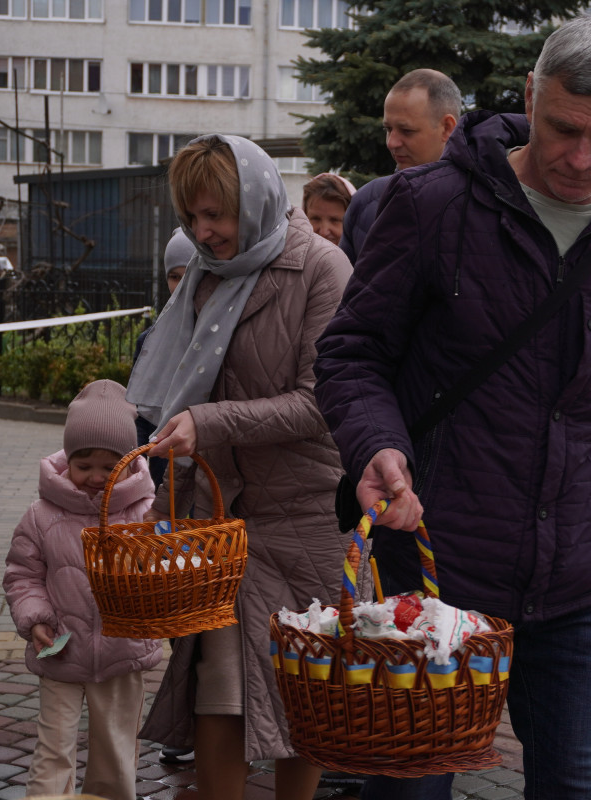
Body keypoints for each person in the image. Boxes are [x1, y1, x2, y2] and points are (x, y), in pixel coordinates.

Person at [313, 16, 591, 800]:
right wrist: (377, 446)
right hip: (434, 572)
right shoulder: (431, 205)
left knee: (580, 787)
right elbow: (351, 352)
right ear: (529, 96)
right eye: (562, 129)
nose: (581, 159)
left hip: (574, 581)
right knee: (412, 788)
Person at [126, 134, 353, 800]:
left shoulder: (322, 269)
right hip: (218, 523)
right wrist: (167, 513)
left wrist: (211, 424)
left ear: (251, 202)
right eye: (192, 217)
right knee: (215, 693)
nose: (204, 232)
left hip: (304, 516)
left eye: (216, 216)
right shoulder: (201, 275)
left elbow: (321, 403)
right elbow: (178, 394)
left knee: (303, 692)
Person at [3, 379, 162, 800]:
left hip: (122, 650)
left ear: (129, 465)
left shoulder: (145, 513)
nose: (95, 477)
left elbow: (163, 568)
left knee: (116, 747)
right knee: (53, 746)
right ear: (67, 460)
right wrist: (35, 618)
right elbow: (23, 575)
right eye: (83, 464)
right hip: (61, 649)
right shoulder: (42, 515)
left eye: (109, 467)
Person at [338, 68, 461, 262]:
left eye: (406, 130)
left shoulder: (484, 206)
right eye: (388, 129)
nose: (391, 142)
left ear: (447, 128)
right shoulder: (365, 203)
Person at [135, 228, 195, 491]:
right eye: (174, 276)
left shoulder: (228, 337)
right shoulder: (149, 341)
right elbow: (140, 413)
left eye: (190, 275)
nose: (181, 285)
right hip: (161, 461)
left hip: (206, 464)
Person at [301, 172, 356, 248]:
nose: (323, 232)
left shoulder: (365, 258)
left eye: (334, 220)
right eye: (315, 218)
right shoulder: (290, 257)